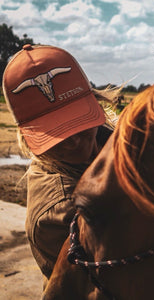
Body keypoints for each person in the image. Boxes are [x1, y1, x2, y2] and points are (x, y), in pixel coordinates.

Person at [2, 44, 118, 282]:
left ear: (95, 102)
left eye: (78, 121)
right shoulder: (58, 213)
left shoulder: (119, 139)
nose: (73, 139)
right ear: (26, 136)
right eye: (56, 133)